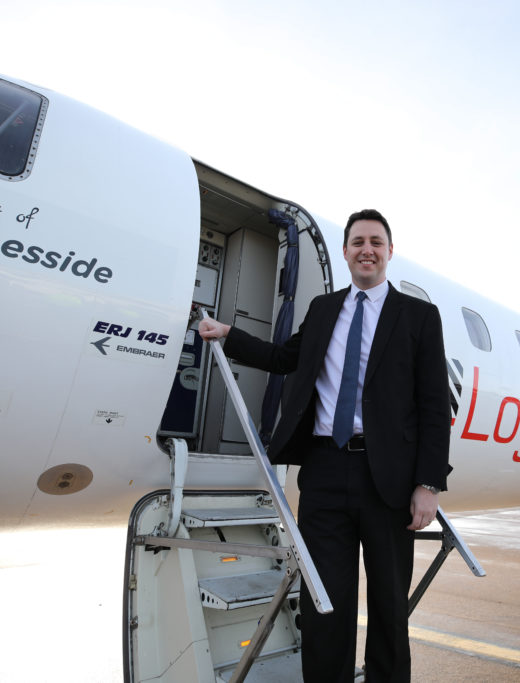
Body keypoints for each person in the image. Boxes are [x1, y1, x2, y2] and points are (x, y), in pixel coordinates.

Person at [198, 209, 451, 682]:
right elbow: (282, 358)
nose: (367, 250)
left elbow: (435, 406)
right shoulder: (323, 309)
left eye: (376, 241)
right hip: (325, 472)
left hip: (389, 480)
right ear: (346, 251)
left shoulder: (418, 317)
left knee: (389, 606)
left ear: (390, 252)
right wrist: (229, 335)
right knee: (323, 602)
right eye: (358, 242)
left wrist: (429, 483)